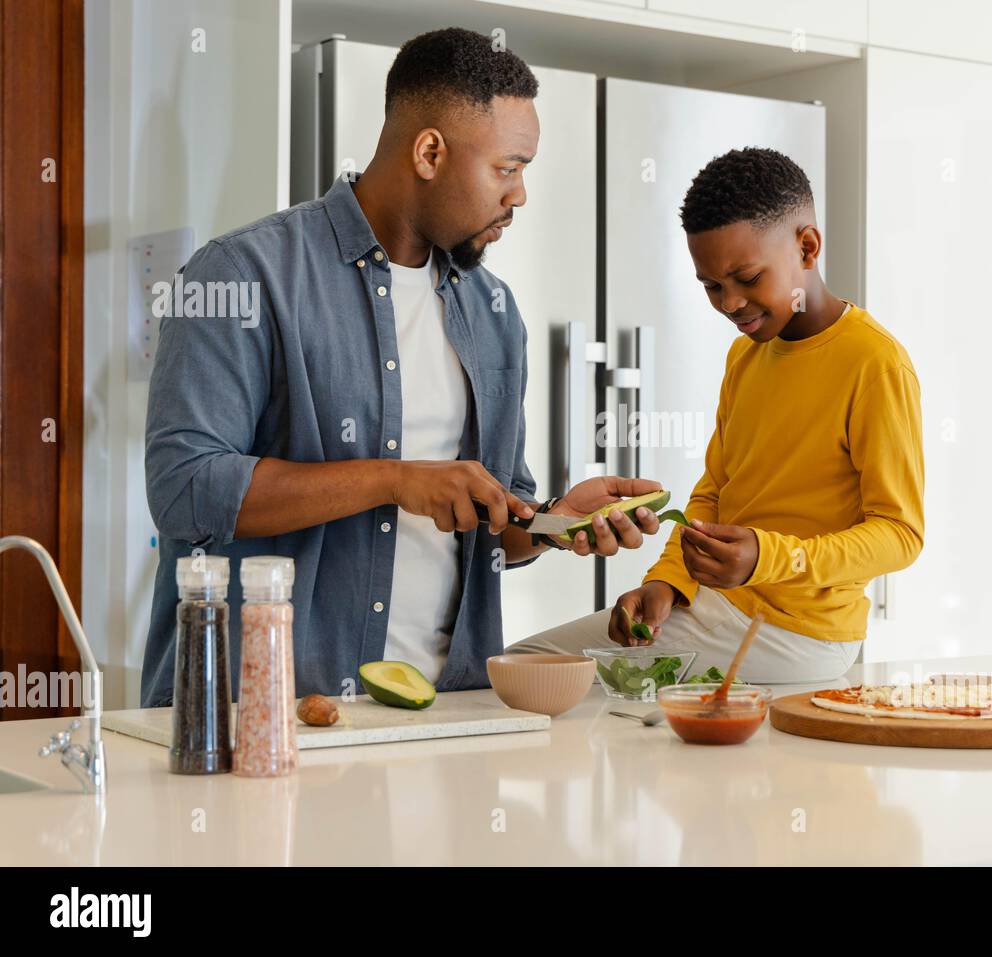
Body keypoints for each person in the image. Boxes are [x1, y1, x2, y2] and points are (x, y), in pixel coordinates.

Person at [141, 28, 660, 707]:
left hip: (452, 713)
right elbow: (184, 488)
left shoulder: (494, 311)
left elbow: (496, 517)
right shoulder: (245, 274)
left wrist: (554, 522)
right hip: (273, 719)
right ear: (430, 151)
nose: (521, 195)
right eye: (508, 167)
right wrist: (394, 480)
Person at [510, 147, 924, 684]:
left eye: (748, 278)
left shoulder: (875, 363)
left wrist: (768, 558)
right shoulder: (747, 354)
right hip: (723, 608)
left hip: (797, 632)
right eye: (711, 286)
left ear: (807, 246)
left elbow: (900, 534)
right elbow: (715, 492)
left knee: (523, 673)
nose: (729, 303)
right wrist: (667, 583)